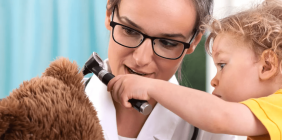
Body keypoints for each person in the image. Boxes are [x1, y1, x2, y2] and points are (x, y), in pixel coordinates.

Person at [107, 0, 282, 139]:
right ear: (108, 14)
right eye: (130, 31)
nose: (213, 81)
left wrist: (151, 87)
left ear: (267, 66)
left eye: (222, 66)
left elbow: (219, 116)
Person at [85, 0, 236, 140]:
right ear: (109, 12)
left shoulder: (211, 133)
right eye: (130, 31)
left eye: (167, 43)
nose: (141, 59)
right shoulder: (62, 103)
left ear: (193, 41)